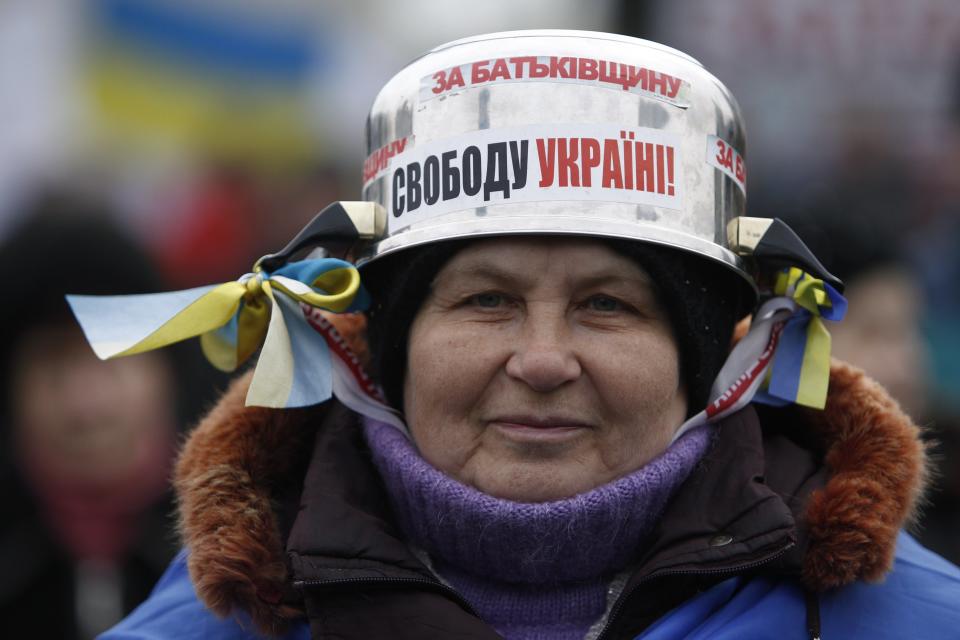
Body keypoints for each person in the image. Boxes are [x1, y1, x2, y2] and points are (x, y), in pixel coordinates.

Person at [96, 31, 960, 639]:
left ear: (705, 360)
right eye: (485, 301)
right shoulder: (212, 627)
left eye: (608, 305)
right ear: (388, 349)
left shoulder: (915, 622)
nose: (543, 360)